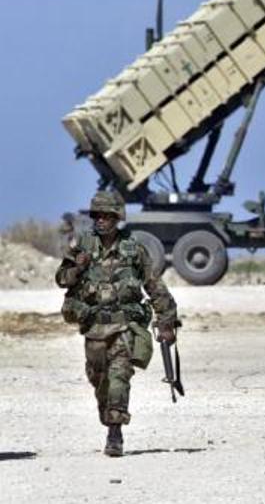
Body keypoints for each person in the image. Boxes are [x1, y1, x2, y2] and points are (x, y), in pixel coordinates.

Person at [55, 191, 180, 457]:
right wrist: (77, 267)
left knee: (119, 376)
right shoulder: (82, 247)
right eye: (97, 216)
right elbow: (62, 279)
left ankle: (115, 433)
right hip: (94, 328)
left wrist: (166, 320)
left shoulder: (134, 249)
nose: (101, 220)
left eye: (106, 216)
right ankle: (108, 414)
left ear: (117, 218)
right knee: (99, 379)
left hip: (125, 326)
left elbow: (154, 285)